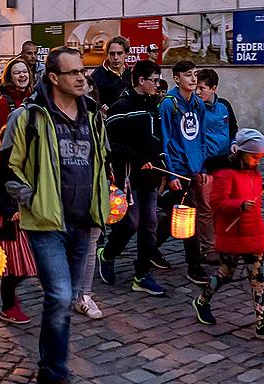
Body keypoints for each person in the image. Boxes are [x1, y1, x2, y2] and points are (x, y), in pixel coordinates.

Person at [0, 46, 111, 384]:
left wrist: (103, 200)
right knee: (61, 295)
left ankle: (48, 370)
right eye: (72, 72)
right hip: (46, 223)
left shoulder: (94, 115)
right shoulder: (28, 117)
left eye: (83, 71)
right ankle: (59, 378)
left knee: (63, 300)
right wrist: (27, 198)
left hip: (83, 222)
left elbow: (101, 162)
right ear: (53, 77)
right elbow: (7, 167)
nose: (82, 77)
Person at [191, 129, 264, 342]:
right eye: (254, 156)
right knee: (226, 274)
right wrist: (239, 205)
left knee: (258, 278)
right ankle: (202, 300)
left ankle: (262, 323)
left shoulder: (254, 173)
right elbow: (217, 203)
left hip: (252, 234)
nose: (257, 161)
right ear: (242, 153)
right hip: (231, 233)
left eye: (260, 157)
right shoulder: (225, 174)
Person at [98, 59, 167, 296]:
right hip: (128, 175)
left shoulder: (152, 105)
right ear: (141, 80)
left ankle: (142, 274)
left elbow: (156, 137)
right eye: (154, 80)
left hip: (150, 175)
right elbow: (113, 144)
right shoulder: (121, 106)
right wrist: (138, 159)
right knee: (130, 223)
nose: (157, 85)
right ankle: (107, 254)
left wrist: (161, 161)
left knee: (149, 225)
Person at [0, 128, 38, 324]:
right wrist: (8, 210)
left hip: (24, 225)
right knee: (13, 269)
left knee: (27, 266)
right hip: (4, 226)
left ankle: (9, 296)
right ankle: (7, 306)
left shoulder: (24, 164)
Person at [158, 60, 207, 283]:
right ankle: (194, 265)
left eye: (195, 74)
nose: (193, 79)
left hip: (194, 167)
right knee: (188, 215)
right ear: (177, 78)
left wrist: (202, 166)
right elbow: (165, 140)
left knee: (176, 213)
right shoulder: (169, 104)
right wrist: (170, 173)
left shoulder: (197, 103)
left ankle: (150, 247)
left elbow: (201, 137)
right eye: (188, 75)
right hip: (178, 167)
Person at [195, 68, 238, 264]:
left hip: (224, 163)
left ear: (213, 88)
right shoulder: (195, 107)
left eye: (202, 88)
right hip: (205, 165)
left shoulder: (224, 106)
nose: (198, 92)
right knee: (206, 208)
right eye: (196, 88)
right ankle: (208, 248)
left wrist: (233, 143)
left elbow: (233, 129)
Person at [0, 57, 31, 150]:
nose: (22, 75)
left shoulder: (34, 99)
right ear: (10, 78)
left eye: (25, 71)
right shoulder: (2, 104)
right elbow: (2, 141)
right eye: (17, 73)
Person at [89, 36, 130, 109]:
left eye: (119, 53)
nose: (116, 57)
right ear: (107, 54)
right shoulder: (97, 76)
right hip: (108, 118)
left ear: (126, 54)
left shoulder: (131, 74)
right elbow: (91, 101)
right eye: (112, 54)